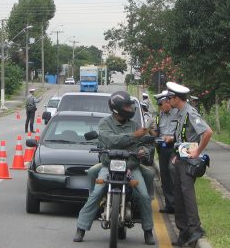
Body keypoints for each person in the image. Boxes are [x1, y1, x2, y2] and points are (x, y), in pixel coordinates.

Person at [74, 91, 155, 245]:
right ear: (117, 108)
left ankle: (148, 231)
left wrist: (145, 150)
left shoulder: (135, 125)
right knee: (96, 193)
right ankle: (81, 228)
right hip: (108, 165)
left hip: (131, 166)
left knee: (144, 196)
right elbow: (111, 140)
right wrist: (133, 136)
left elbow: (145, 142)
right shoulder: (105, 123)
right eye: (127, 106)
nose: (130, 108)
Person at [166, 82, 213, 246]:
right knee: (178, 197)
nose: (168, 101)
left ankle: (195, 229)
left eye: (169, 98)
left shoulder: (190, 113)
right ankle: (183, 231)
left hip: (189, 162)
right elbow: (181, 139)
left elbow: (208, 132)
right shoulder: (180, 113)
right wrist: (176, 154)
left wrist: (198, 152)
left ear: (176, 98)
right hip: (180, 159)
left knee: (187, 195)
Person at [153, 90, 179, 214]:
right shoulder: (159, 117)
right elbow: (157, 133)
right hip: (163, 148)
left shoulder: (178, 114)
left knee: (173, 172)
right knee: (165, 176)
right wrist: (148, 130)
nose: (160, 107)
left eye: (160, 104)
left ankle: (177, 204)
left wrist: (172, 138)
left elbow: (182, 132)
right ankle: (170, 205)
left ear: (168, 102)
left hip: (174, 147)